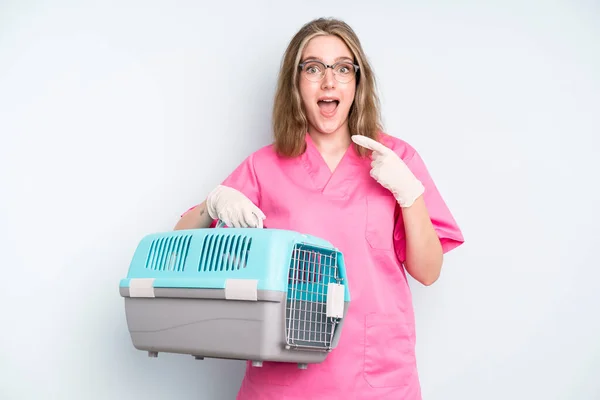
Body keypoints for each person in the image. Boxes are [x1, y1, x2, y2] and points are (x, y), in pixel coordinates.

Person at [174, 17, 464, 400]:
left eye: (343, 68)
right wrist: (212, 203)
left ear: (358, 82)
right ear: (295, 83)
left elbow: (427, 272)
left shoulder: (395, 158)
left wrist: (410, 196)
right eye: (313, 68)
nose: (329, 81)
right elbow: (179, 247)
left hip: (374, 377)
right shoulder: (264, 167)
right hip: (284, 377)